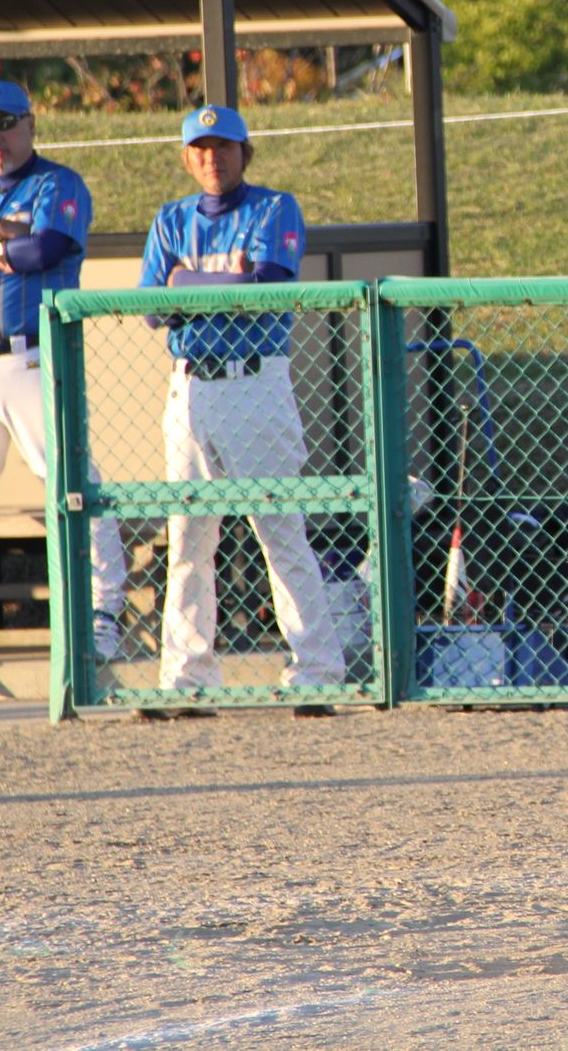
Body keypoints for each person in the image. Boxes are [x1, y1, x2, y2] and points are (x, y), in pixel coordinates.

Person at [0, 80, 128, 670]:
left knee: (73, 485)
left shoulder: (59, 183)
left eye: (6, 123)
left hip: (36, 358)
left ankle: (105, 612)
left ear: (31, 124)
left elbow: (46, 250)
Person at [139, 105, 342, 714]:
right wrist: (220, 288)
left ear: (243, 152)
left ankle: (318, 673)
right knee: (188, 541)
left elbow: (268, 288)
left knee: (281, 533)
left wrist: (187, 287)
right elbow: (151, 308)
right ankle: (189, 679)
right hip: (190, 389)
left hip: (255, 382)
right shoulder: (170, 219)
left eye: (223, 146)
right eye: (200, 148)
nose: (212, 158)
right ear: (186, 157)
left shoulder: (274, 208)